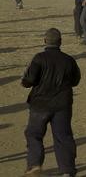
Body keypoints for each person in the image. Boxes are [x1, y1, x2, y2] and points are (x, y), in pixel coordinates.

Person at [22, 28, 80, 177]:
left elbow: (29, 81)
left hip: (40, 104)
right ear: (60, 42)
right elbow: (75, 81)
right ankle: (67, 171)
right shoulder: (69, 60)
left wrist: (24, 80)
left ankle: (34, 165)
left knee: (34, 134)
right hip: (62, 105)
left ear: (45, 41)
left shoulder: (39, 58)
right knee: (63, 136)